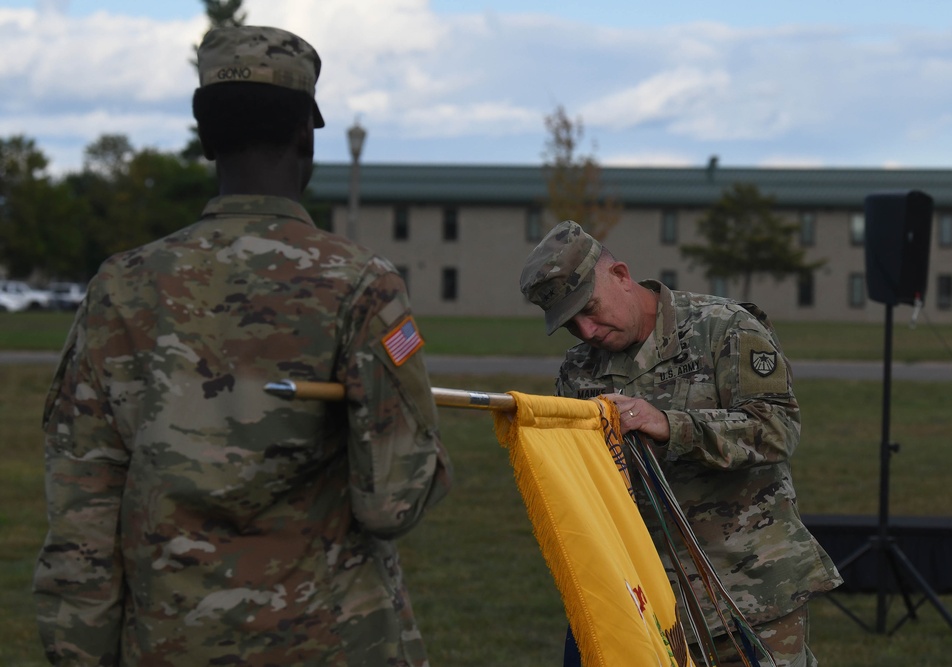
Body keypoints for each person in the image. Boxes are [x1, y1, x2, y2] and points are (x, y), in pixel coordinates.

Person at [33, 25, 452, 666]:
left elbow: (82, 517)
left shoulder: (120, 288)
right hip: (332, 641)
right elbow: (392, 501)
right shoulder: (364, 286)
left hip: (171, 641)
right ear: (304, 135)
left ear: (206, 138)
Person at [520, 220, 842, 667]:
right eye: (570, 324)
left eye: (589, 308)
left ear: (620, 275)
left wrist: (672, 426)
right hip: (645, 605)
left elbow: (776, 428)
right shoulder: (580, 370)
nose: (588, 330)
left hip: (747, 591)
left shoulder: (723, 328)